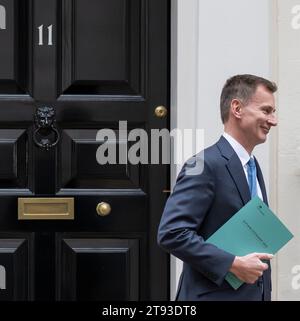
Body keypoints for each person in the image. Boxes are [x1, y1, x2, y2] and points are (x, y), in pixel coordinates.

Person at [157, 74, 277, 301]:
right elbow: (171, 233)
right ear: (237, 108)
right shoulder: (203, 165)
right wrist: (232, 263)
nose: (273, 120)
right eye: (266, 110)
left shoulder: (253, 165)